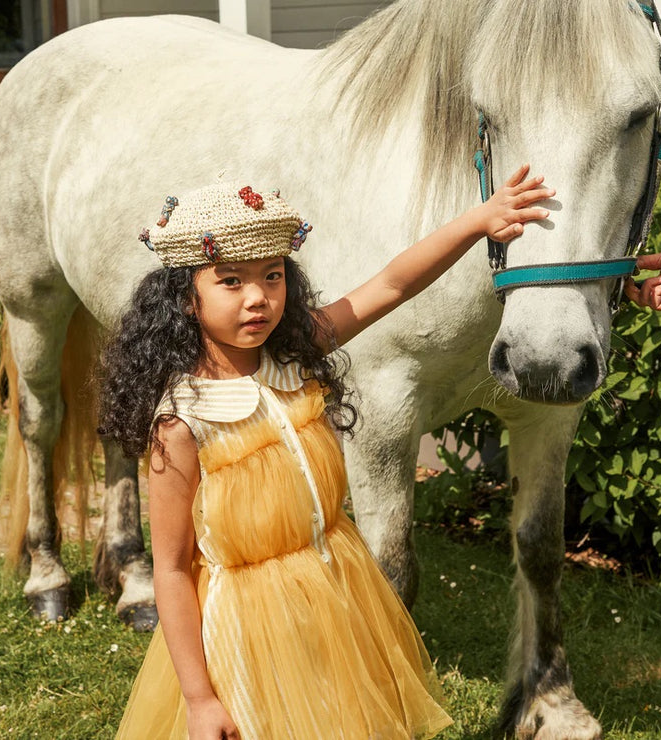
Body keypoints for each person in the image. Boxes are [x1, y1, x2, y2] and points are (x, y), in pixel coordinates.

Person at [99, 167, 553, 740]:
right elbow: (168, 568)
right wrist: (198, 697)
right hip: (248, 622)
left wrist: (479, 221)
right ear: (186, 299)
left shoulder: (295, 354)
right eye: (230, 282)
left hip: (335, 586)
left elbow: (392, 285)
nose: (258, 298)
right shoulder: (183, 420)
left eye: (272, 276)